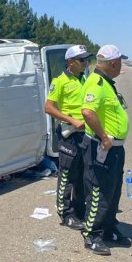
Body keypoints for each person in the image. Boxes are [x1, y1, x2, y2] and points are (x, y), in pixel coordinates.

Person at [79, 44, 132, 256]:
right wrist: (103, 137)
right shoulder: (96, 83)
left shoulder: (107, 83)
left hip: (115, 149)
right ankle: (92, 234)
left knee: (113, 191)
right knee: (98, 191)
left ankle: (109, 228)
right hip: (102, 146)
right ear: (112, 63)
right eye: (120, 62)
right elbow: (87, 112)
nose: (121, 66)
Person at [44, 45, 92, 229]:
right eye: (82, 60)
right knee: (67, 175)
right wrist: (71, 119)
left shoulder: (84, 79)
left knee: (82, 175)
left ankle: (79, 210)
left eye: (87, 59)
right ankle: (65, 213)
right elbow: (48, 107)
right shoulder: (60, 81)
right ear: (70, 62)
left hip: (85, 134)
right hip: (69, 134)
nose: (85, 63)